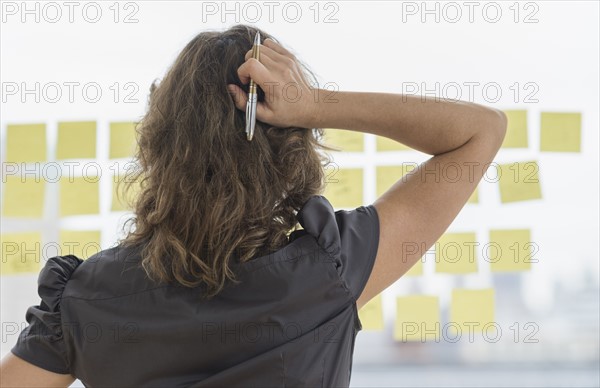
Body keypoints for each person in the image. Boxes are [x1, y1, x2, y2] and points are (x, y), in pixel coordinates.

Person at [0, 24, 507, 387]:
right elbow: (481, 131)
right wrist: (315, 104)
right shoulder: (328, 270)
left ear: (160, 140)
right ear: (287, 150)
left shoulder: (83, 301)